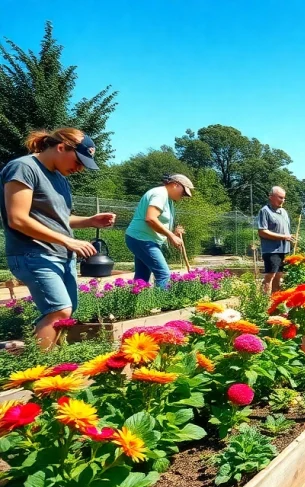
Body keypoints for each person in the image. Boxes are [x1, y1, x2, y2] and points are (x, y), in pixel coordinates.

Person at [0, 128, 116, 348]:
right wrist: (67, 241)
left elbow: (59, 220)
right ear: (61, 147)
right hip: (33, 252)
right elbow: (17, 219)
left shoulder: (60, 178)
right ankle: (34, 371)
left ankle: (38, 358)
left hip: (60, 255)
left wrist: (90, 220)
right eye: (79, 161)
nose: (80, 168)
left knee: (66, 313)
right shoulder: (24, 168)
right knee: (58, 310)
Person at [125, 174, 194, 288]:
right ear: (175, 185)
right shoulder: (160, 194)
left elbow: (158, 223)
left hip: (141, 238)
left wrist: (173, 232)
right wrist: (170, 235)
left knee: (142, 276)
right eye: (184, 192)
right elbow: (150, 219)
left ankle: (135, 304)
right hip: (142, 239)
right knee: (163, 273)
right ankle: (163, 303)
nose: (184, 196)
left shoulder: (168, 199)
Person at [256, 186, 294, 294]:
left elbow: (285, 231)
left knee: (278, 276)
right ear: (271, 197)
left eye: (284, 198)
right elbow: (262, 232)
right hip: (271, 250)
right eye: (280, 197)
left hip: (283, 250)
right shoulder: (265, 211)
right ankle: (263, 301)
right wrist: (283, 237)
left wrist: (290, 237)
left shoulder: (284, 212)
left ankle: (275, 301)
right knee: (270, 275)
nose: (283, 200)